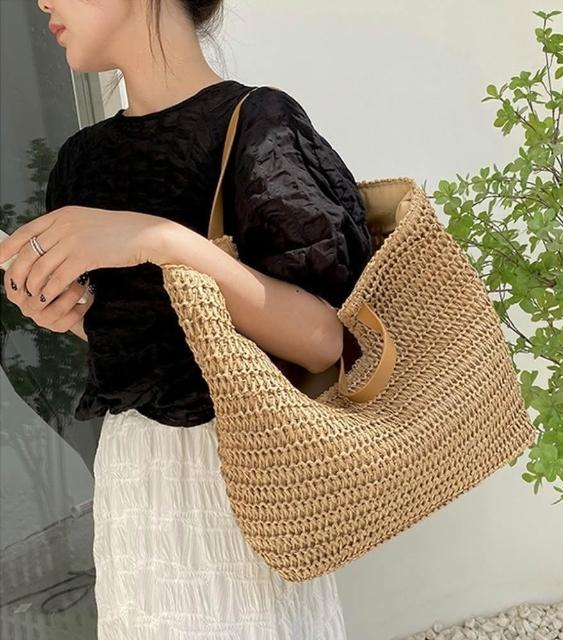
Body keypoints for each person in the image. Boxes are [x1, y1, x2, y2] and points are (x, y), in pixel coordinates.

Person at [1, 0, 373, 637]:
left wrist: (159, 241)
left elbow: (326, 342)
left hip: (247, 476)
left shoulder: (255, 123)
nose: (42, 2)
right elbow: (149, 340)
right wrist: (72, 317)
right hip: (135, 478)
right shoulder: (82, 160)